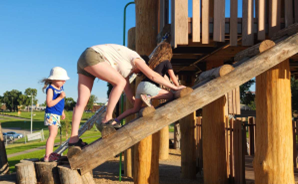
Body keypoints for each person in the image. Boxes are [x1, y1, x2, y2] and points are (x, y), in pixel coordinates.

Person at [68, 43, 185, 148]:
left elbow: (127, 88)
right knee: (120, 82)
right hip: (93, 55)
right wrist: (175, 87)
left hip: (83, 59)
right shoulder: (138, 60)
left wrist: (135, 103)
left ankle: (73, 139)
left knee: (81, 102)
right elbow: (153, 76)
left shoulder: (124, 67)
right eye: (138, 72)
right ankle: (107, 119)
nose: (135, 74)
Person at [112, 58, 182, 124]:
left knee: (135, 109)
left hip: (140, 86)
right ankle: (148, 96)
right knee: (170, 95)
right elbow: (173, 78)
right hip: (148, 87)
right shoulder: (167, 63)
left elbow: (167, 83)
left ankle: (116, 120)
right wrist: (178, 87)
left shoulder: (155, 66)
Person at [41, 66, 69, 162]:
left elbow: (60, 104)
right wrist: (60, 97)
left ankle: (50, 154)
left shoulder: (60, 88)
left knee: (54, 133)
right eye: (62, 80)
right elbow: (49, 103)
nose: (64, 82)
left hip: (56, 114)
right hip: (51, 114)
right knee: (52, 134)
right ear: (54, 79)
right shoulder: (51, 89)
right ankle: (48, 156)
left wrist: (62, 112)